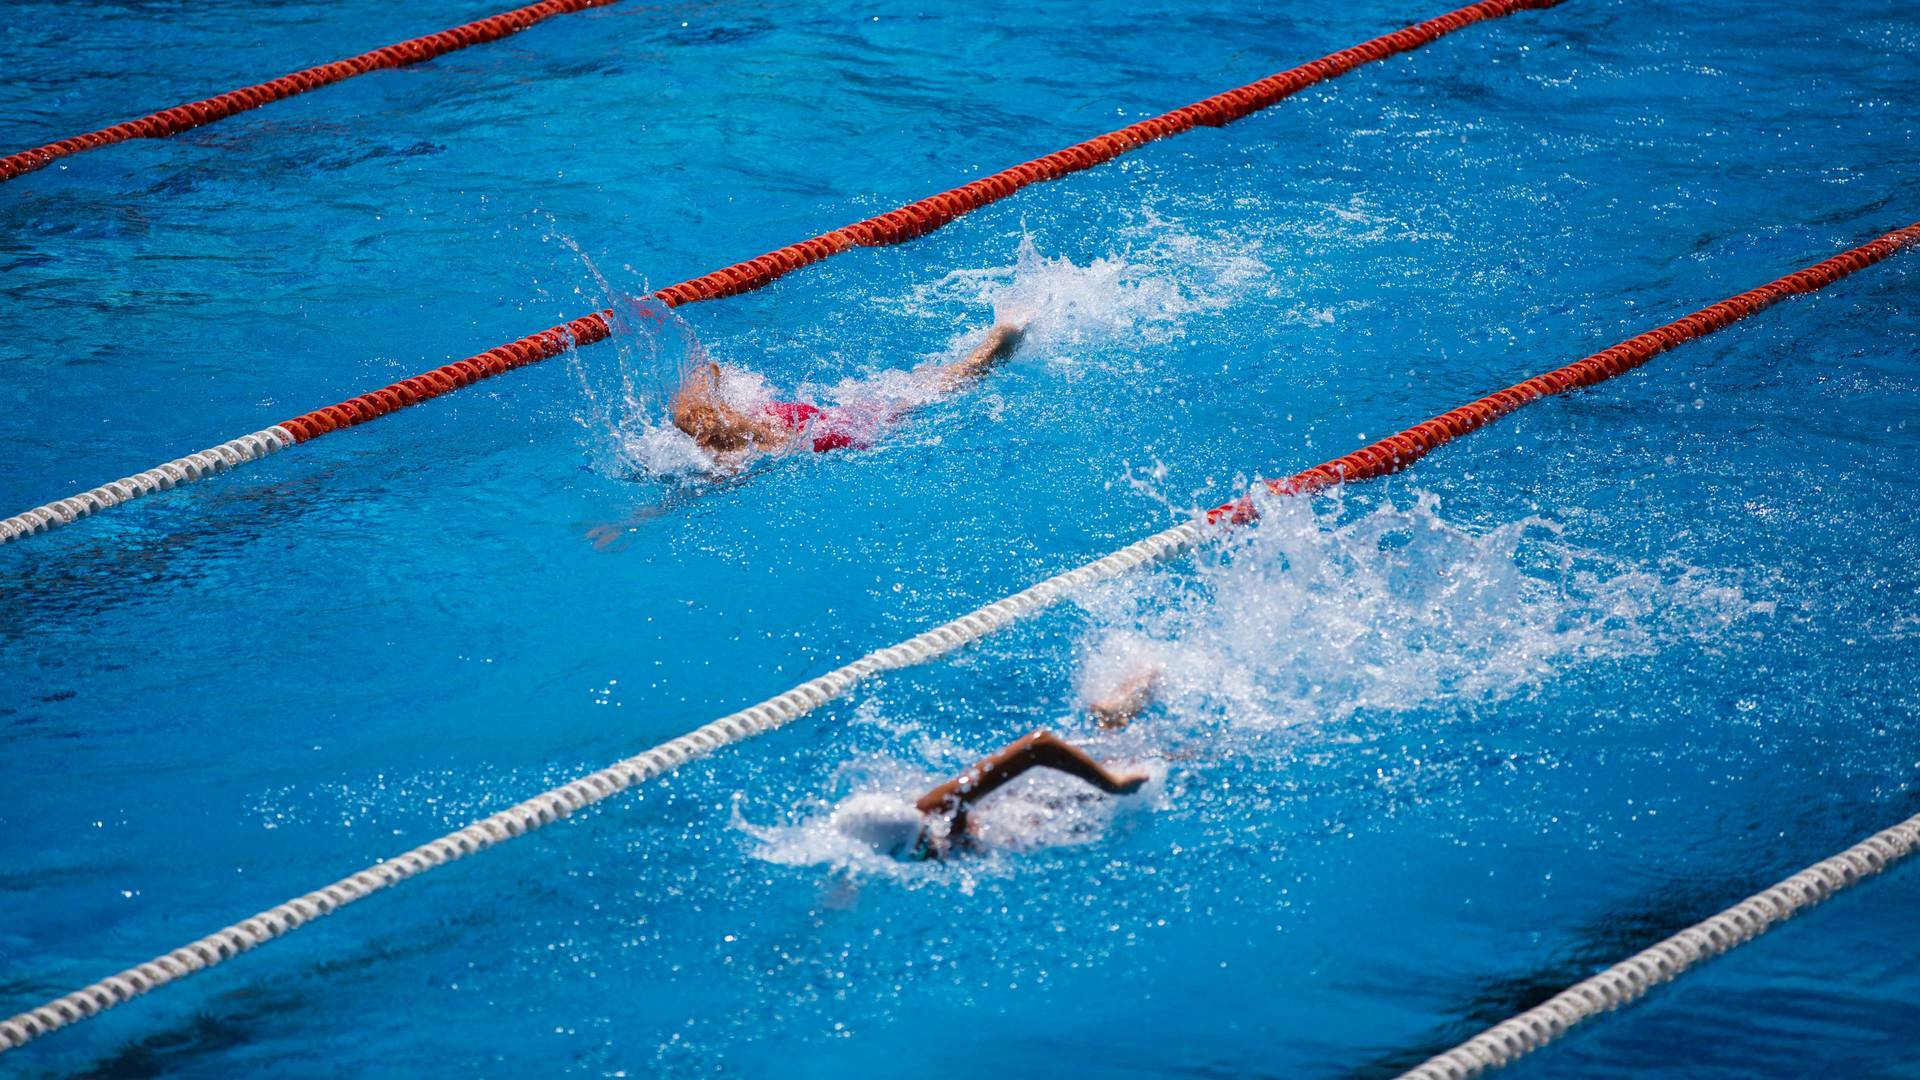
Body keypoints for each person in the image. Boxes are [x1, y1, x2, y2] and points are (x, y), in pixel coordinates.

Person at [669, 322, 1027, 468]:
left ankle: (996, 348)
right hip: (814, 415)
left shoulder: (747, 457)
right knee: (919, 387)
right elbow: (711, 371)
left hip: (847, 434)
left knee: (929, 395)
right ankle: (993, 344)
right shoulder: (749, 416)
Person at [833, 728, 1148, 860]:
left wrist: (1112, 784)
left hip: (1044, 797)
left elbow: (1038, 745)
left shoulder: (938, 808)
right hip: (1026, 815)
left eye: (926, 843)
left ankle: (1128, 694)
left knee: (1152, 757)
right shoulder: (868, 846)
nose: (933, 849)